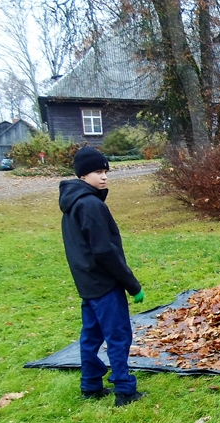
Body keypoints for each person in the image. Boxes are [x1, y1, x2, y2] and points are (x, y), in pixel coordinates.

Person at [59, 146, 146, 407]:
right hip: (105, 284)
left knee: (91, 336)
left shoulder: (72, 202)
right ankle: (124, 390)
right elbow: (104, 250)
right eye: (98, 172)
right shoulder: (90, 205)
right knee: (118, 336)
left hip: (87, 283)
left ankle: (91, 385)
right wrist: (132, 285)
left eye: (105, 171)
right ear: (83, 175)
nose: (104, 177)